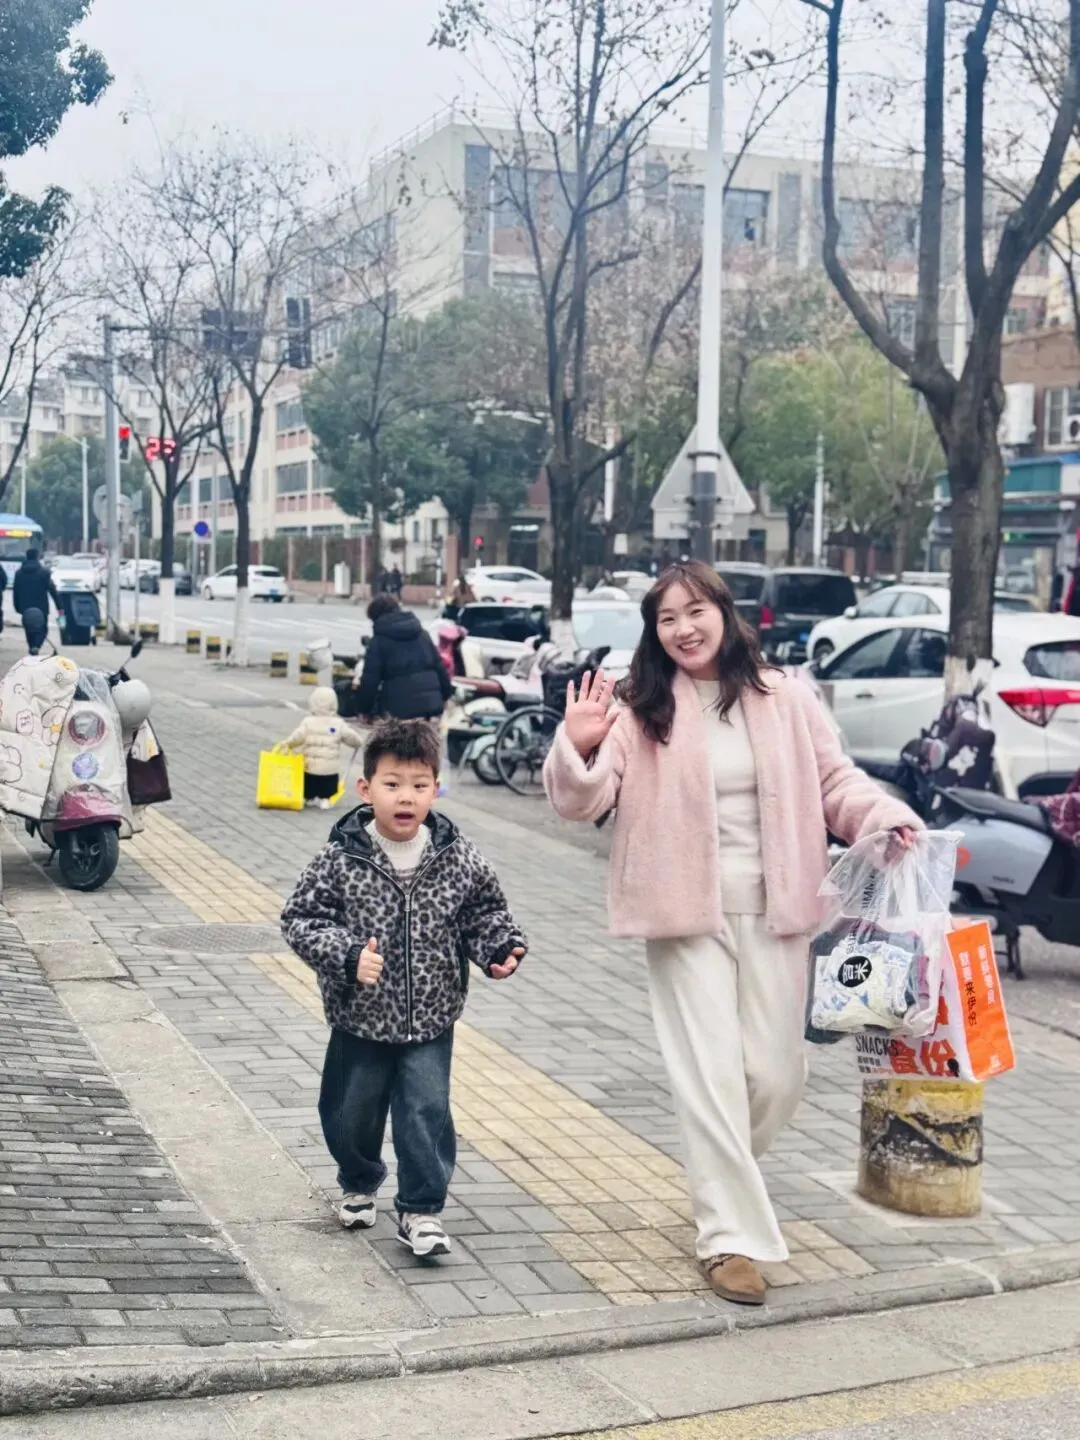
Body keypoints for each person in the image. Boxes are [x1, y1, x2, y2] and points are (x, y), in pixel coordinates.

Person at [543, 561, 920, 1307]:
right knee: (710, 1075)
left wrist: (881, 816)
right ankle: (727, 1239)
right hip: (683, 913)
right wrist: (578, 746)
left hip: (780, 908)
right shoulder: (642, 706)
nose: (683, 629)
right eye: (666, 619)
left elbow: (834, 782)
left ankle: (718, 1177)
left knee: (777, 1076)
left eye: (696, 612)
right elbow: (583, 801)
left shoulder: (786, 696)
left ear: (725, 612)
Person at [280, 718, 527, 1256]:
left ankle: (421, 1209)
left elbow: (484, 912)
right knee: (351, 1112)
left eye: (419, 784)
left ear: (436, 789)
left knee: (426, 1111)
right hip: (360, 1016)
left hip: (432, 1017)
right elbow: (300, 920)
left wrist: (498, 948)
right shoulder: (341, 858)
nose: (406, 796)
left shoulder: (456, 855)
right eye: (392, 784)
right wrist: (347, 956)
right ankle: (359, 1179)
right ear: (365, 789)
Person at [352, 594, 452, 721]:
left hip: (397, 709)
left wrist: (363, 709)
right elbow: (439, 667)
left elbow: (370, 681)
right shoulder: (423, 635)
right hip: (430, 705)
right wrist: (446, 695)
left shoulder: (378, 642)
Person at [280, 686, 365, 810]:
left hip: (310, 766)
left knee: (309, 783)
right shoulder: (338, 724)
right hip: (330, 768)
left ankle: (308, 798)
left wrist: (287, 743)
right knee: (328, 785)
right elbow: (351, 737)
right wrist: (358, 742)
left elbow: (297, 736)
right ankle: (325, 799)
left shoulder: (308, 722)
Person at [12, 549, 58, 654]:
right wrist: (59, 606)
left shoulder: (19, 573)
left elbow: (16, 591)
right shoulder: (44, 573)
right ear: (37, 557)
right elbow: (52, 590)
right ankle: (36, 645)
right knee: (43, 629)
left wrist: (17, 607)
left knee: (29, 628)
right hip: (42, 607)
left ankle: (32, 646)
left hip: (25, 607)